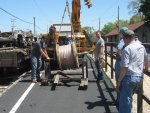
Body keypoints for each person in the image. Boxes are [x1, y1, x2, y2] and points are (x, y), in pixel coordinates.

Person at [116, 29, 149, 113]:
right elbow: (147, 61)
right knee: (129, 98)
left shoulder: (127, 49)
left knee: (125, 102)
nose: (123, 41)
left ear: (126, 38)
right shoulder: (142, 47)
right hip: (139, 78)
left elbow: (125, 68)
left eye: (123, 39)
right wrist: (145, 70)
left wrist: (119, 81)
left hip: (129, 78)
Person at [114, 27, 128, 104]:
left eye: (120, 33)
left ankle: (119, 100)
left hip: (120, 66)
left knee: (119, 82)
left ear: (122, 34)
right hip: (126, 66)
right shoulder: (131, 41)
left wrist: (119, 56)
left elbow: (119, 54)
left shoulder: (122, 42)